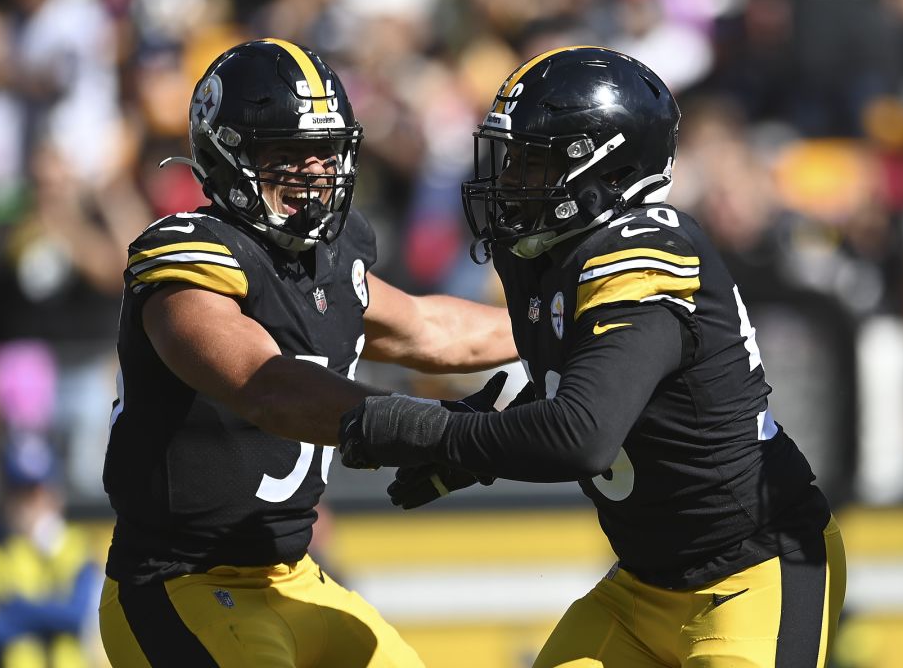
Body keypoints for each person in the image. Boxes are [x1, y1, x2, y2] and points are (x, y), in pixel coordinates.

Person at [340, 46, 847, 668]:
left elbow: (583, 434)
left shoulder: (643, 257)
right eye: (509, 158)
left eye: (531, 163)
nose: (507, 182)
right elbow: (575, 380)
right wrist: (481, 429)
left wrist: (436, 432)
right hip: (642, 584)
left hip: (752, 574)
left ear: (602, 169)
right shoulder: (545, 254)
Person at [97, 38, 516, 667]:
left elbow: (430, 328)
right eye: (287, 155)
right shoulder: (189, 264)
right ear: (228, 156)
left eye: (325, 153)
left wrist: (568, 320)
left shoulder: (329, 261)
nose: (314, 174)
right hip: (184, 584)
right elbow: (267, 386)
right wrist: (433, 431)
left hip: (296, 575)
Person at [0, 435, 100, 668]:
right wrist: (50, 613)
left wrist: (12, 607)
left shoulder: (74, 546)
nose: (31, 504)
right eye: (21, 492)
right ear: (4, 494)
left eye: (38, 492)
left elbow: (77, 616)